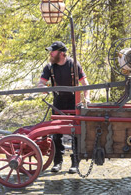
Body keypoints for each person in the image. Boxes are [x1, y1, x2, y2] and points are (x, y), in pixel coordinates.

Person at [38, 41, 90, 174]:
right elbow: (41, 84)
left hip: (74, 102)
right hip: (59, 101)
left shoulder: (74, 65)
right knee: (56, 133)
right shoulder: (49, 67)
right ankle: (57, 162)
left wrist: (87, 98)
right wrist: (44, 88)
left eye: (53, 51)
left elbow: (85, 83)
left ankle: (75, 163)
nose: (50, 53)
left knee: (76, 133)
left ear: (61, 53)